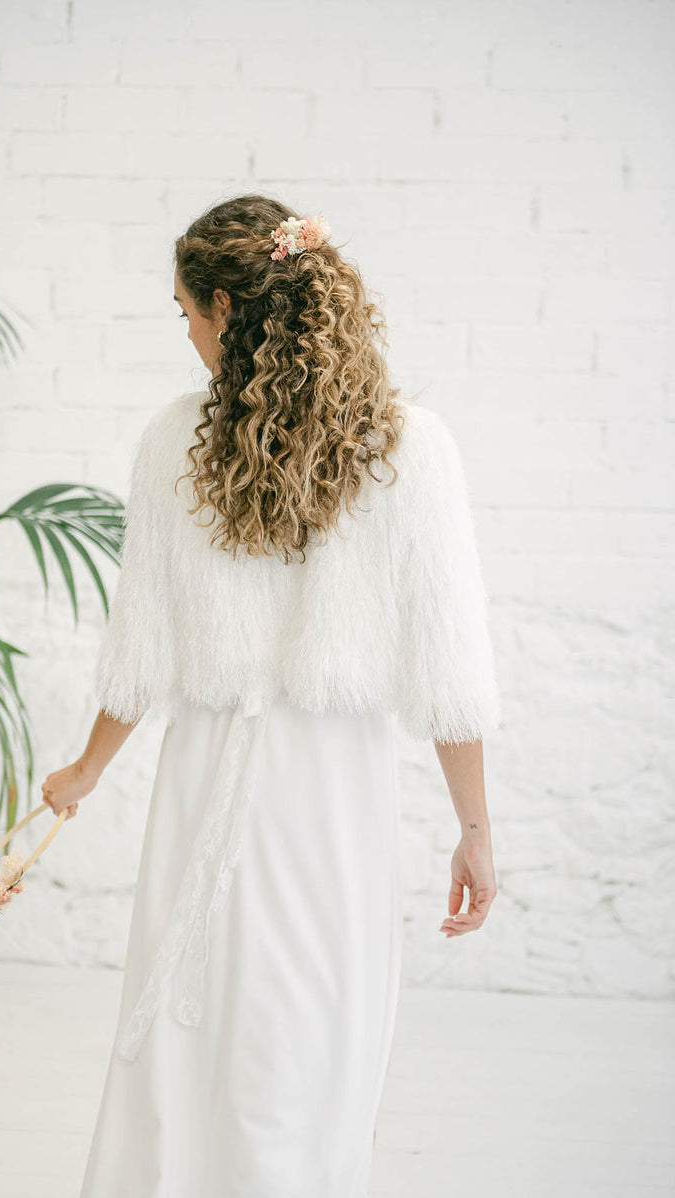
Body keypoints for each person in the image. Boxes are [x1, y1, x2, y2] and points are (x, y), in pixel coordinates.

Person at [41, 194, 501, 1198]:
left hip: (203, 776)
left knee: (182, 1044)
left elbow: (141, 651)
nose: (186, 335)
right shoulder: (410, 449)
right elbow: (448, 664)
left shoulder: (173, 443)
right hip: (328, 798)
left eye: (184, 313)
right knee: (309, 1045)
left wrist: (84, 769)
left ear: (221, 305)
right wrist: (472, 829)